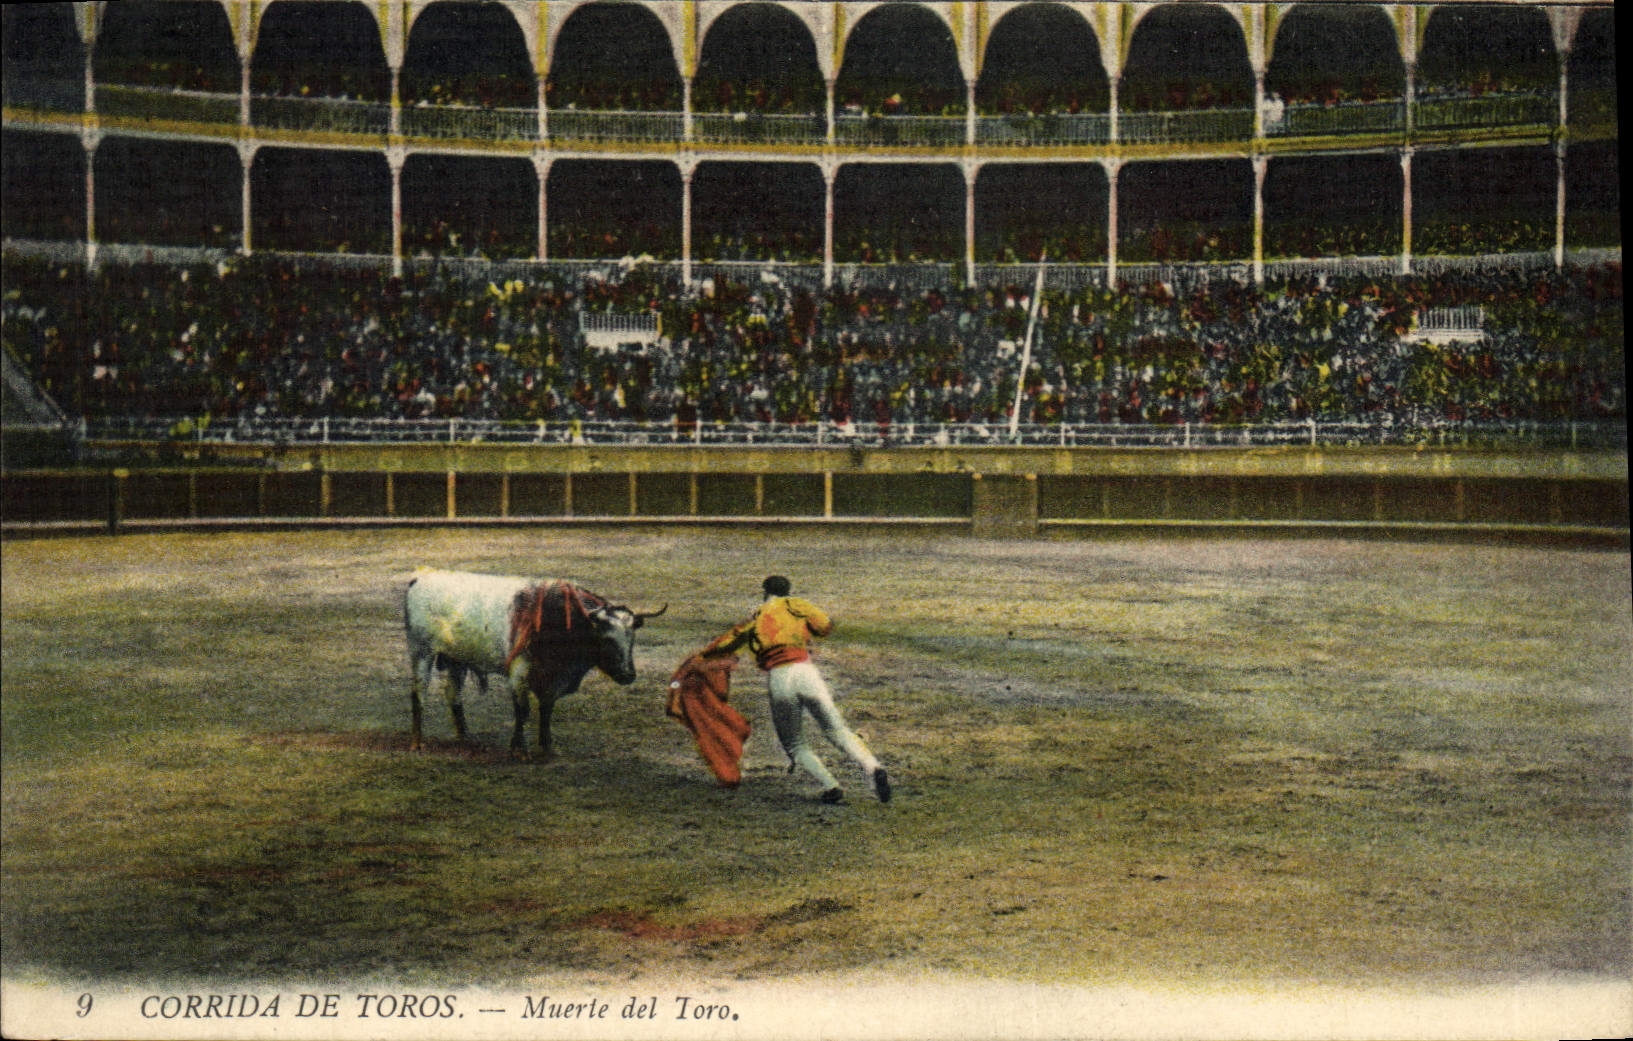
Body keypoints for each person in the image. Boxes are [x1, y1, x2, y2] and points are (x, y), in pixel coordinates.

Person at [702, 576, 891, 804]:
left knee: (794, 743)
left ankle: (830, 785)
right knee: (837, 731)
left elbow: (725, 645)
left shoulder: (757, 615)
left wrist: (703, 655)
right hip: (806, 673)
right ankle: (872, 767)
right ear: (788, 591)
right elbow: (825, 626)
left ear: (765, 592)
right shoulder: (797, 605)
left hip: (780, 678)